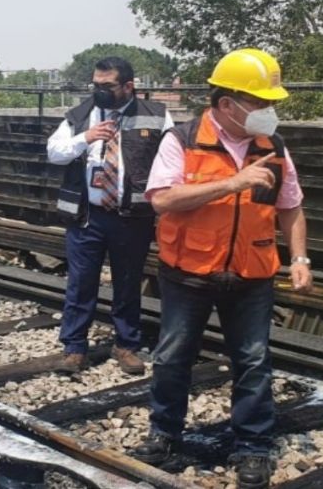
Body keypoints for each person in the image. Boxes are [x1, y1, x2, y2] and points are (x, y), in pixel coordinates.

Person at [132, 48, 313, 489]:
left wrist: (301, 258)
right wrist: (231, 184)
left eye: (272, 103)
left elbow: (292, 207)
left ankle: (252, 445)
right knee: (174, 355)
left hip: (253, 272)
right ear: (227, 104)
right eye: (261, 102)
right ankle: (165, 433)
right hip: (189, 271)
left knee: (253, 360)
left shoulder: (274, 146)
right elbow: (162, 200)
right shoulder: (184, 139)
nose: (269, 111)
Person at [47, 57, 175, 374]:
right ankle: (74, 347)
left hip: (132, 217)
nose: (99, 91)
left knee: (128, 283)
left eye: (107, 86)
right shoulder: (80, 115)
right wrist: (85, 138)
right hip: (87, 216)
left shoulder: (156, 116)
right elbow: (54, 153)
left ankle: (126, 345)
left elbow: (173, 158)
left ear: (128, 86)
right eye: (96, 85)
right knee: (81, 284)